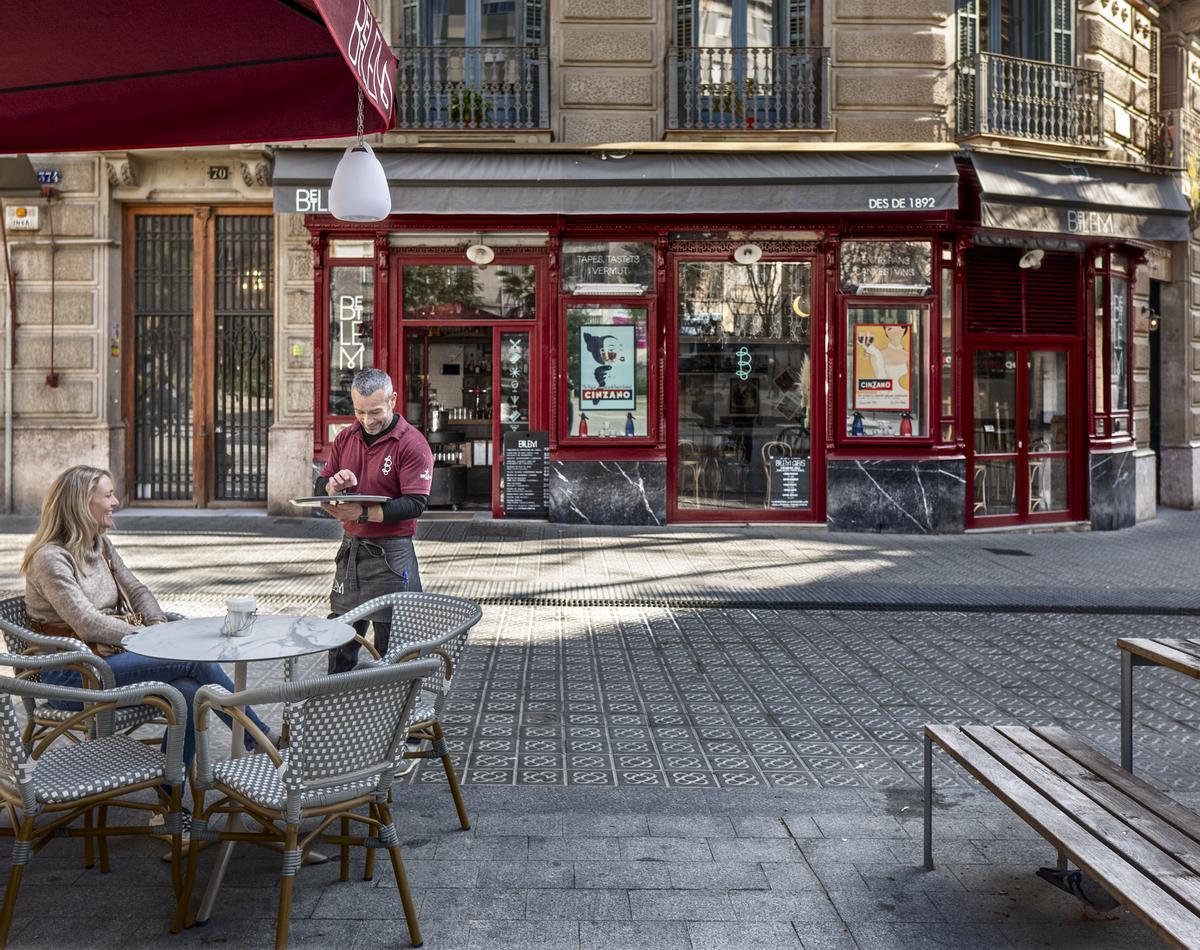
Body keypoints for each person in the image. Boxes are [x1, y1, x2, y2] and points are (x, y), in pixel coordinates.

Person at [22, 465, 274, 767]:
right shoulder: (51, 558)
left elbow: (137, 590)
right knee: (192, 659)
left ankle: (169, 798)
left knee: (190, 691)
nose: (116, 503)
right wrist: (150, 639)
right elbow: (85, 622)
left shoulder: (99, 545)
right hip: (73, 675)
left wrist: (156, 624)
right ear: (81, 504)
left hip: (108, 658)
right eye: (109, 495)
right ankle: (261, 739)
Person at [317, 367, 433, 673]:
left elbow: (414, 504)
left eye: (375, 412)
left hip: (391, 556)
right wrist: (333, 486)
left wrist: (362, 513)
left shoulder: (412, 443)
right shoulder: (346, 437)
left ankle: (391, 716)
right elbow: (321, 484)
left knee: (392, 648)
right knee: (339, 640)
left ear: (393, 400)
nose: (368, 421)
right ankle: (336, 709)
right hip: (351, 553)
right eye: (359, 412)